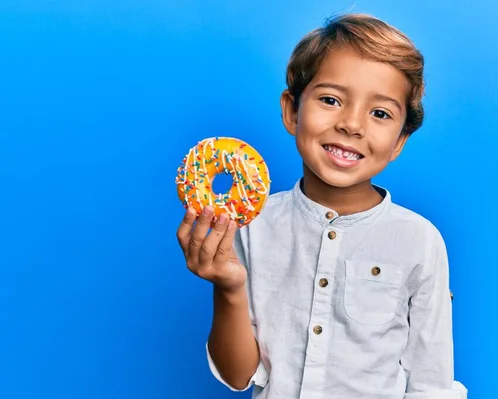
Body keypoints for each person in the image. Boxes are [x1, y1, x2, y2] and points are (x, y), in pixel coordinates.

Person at [176, 13, 468, 399]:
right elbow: (237, 376)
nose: (351, 124)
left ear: (399, 141)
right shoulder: (251, 225)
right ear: (292, 111)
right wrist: (228, 288)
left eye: (380, 113)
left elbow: (431, 384)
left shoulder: (419, 240)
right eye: (331, 100)